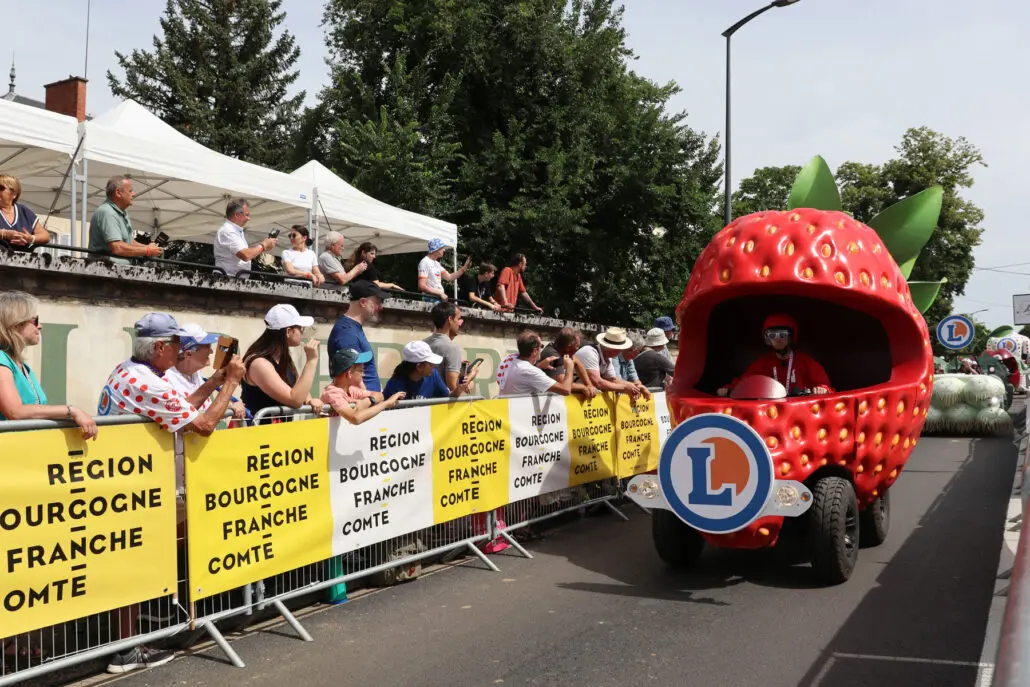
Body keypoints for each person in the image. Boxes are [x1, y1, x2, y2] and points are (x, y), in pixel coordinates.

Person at [98, 312, 244, 674]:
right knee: (134, 567)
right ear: (161, 347)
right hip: (132, 486)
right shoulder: (149, 382)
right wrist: (230, 384)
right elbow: (204, 424)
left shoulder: (131, 370)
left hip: (132, 482)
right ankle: (126, 649)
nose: (181, 350)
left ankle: (131, 642)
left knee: (138, 564)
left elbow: (183, 405)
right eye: (177, 343)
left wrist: (215, 381)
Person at [0, 291, 95, 435]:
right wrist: (71, 410)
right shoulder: (2, 360)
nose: (40, 326)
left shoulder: (21, 365)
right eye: (35, 320)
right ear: (16, 323)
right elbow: (15, 412)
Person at [241, 304, 325, 419]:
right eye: (300, 328)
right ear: (288, 331)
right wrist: (311, 361)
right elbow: (294, 400)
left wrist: (309, 400)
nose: (302, 332)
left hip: (280, 428)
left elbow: (298, 385)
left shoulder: (284, 358)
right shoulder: (259, 364)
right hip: (259, 429)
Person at [717, 314, 832, 397]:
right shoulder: (761, 364)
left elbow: (827, 387)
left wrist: (822, 389)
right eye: (772, 335)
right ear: (767, 339)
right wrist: (728, 389)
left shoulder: (806, 362)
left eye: (782, 335)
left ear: (791, 337)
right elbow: (743, 383)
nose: (777, 339)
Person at [164, 324, 247, 422]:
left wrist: (230, 406)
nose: (211, 351)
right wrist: (227, 382)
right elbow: (185, 415)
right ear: (188, 354)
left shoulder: (196, 375)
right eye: (207, 346)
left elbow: (206, 408)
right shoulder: (167, 380)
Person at [328, 281, 387, 392]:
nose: (380, 307)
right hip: (363, 401)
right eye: (377, 302)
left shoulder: (352, 328)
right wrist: (371, 398)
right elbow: (351, 381)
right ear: (363, 302)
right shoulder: (347, 333)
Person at [88, 176, 162, 264]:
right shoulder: (107, 212)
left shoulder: (122, 212)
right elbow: (117, 247)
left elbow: (129, 242)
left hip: (116, 269)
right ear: (118, 193)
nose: (134, 194)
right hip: (104, 269)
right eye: (130, 191)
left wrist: (149, 248)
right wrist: (147, 250)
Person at [321, 348, 405, 424]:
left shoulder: (351, 389)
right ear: (349, 374)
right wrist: (386, 404)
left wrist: (367, 401)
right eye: (361, 370)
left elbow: (380, 395)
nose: (363, 374)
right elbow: (355, 418)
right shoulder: (333, 393)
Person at [384, 341, 472, 400]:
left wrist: (459, 388)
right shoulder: (395, 385)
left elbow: (449, 396)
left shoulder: (433, 375)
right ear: (419, 367)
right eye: (430, 363)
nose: (433, 365)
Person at [574, 327, 645, 400]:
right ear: (614, 349)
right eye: (621, 348)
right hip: (573, 398)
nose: (621, 350)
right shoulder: (590, 352)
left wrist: (636, 387)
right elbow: (597, 382)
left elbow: (613, 380)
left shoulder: (607, 357)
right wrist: (625, 388)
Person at [213, 198, 277, 278]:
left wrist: (264, 247)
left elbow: (246, 254)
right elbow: (245, 255)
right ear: (237, 215)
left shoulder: (235, 230)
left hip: (233, 278)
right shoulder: (228, 231)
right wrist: (263, 246)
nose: (249, 218)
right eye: (247, 215)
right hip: (226, 278)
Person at [499, 330, 574, 396]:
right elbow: (565, 390)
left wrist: (539, 366)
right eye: (541, 346)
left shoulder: (509, 361)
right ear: (535, 351)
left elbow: (523, 375)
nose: (541, 349)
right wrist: (569, 368)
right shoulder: (531, 371)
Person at [424, 301, 473, 393]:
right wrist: (471, 375)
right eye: (458, 319)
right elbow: (454, 388)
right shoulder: (452, 348)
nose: (459, 324)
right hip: (440, 401)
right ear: (450, 319)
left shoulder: (422, 344)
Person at [539, 328, 597, 398]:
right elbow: (563, 385)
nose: (578, 349)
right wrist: (584, 388)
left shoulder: (561, 350)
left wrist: (589, 384)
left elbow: (576, 360)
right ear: (568, 347)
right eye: (577, 346)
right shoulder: (553, 355)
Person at [0, 174, 50, 248]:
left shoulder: (23, 211)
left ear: (14, 194)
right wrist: (4, 234)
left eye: (1, 188)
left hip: (21, 254)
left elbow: (45, 236)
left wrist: (30, 238)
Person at [417, 238, 469, 302]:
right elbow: (421, 286)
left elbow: (449, 277)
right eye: (442, 248)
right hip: (430, 299)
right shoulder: (425, 262)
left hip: (437, 298)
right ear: (437, 249)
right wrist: (440, 293)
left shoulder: (437, 263)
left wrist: (465, 267)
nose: (444, 250)